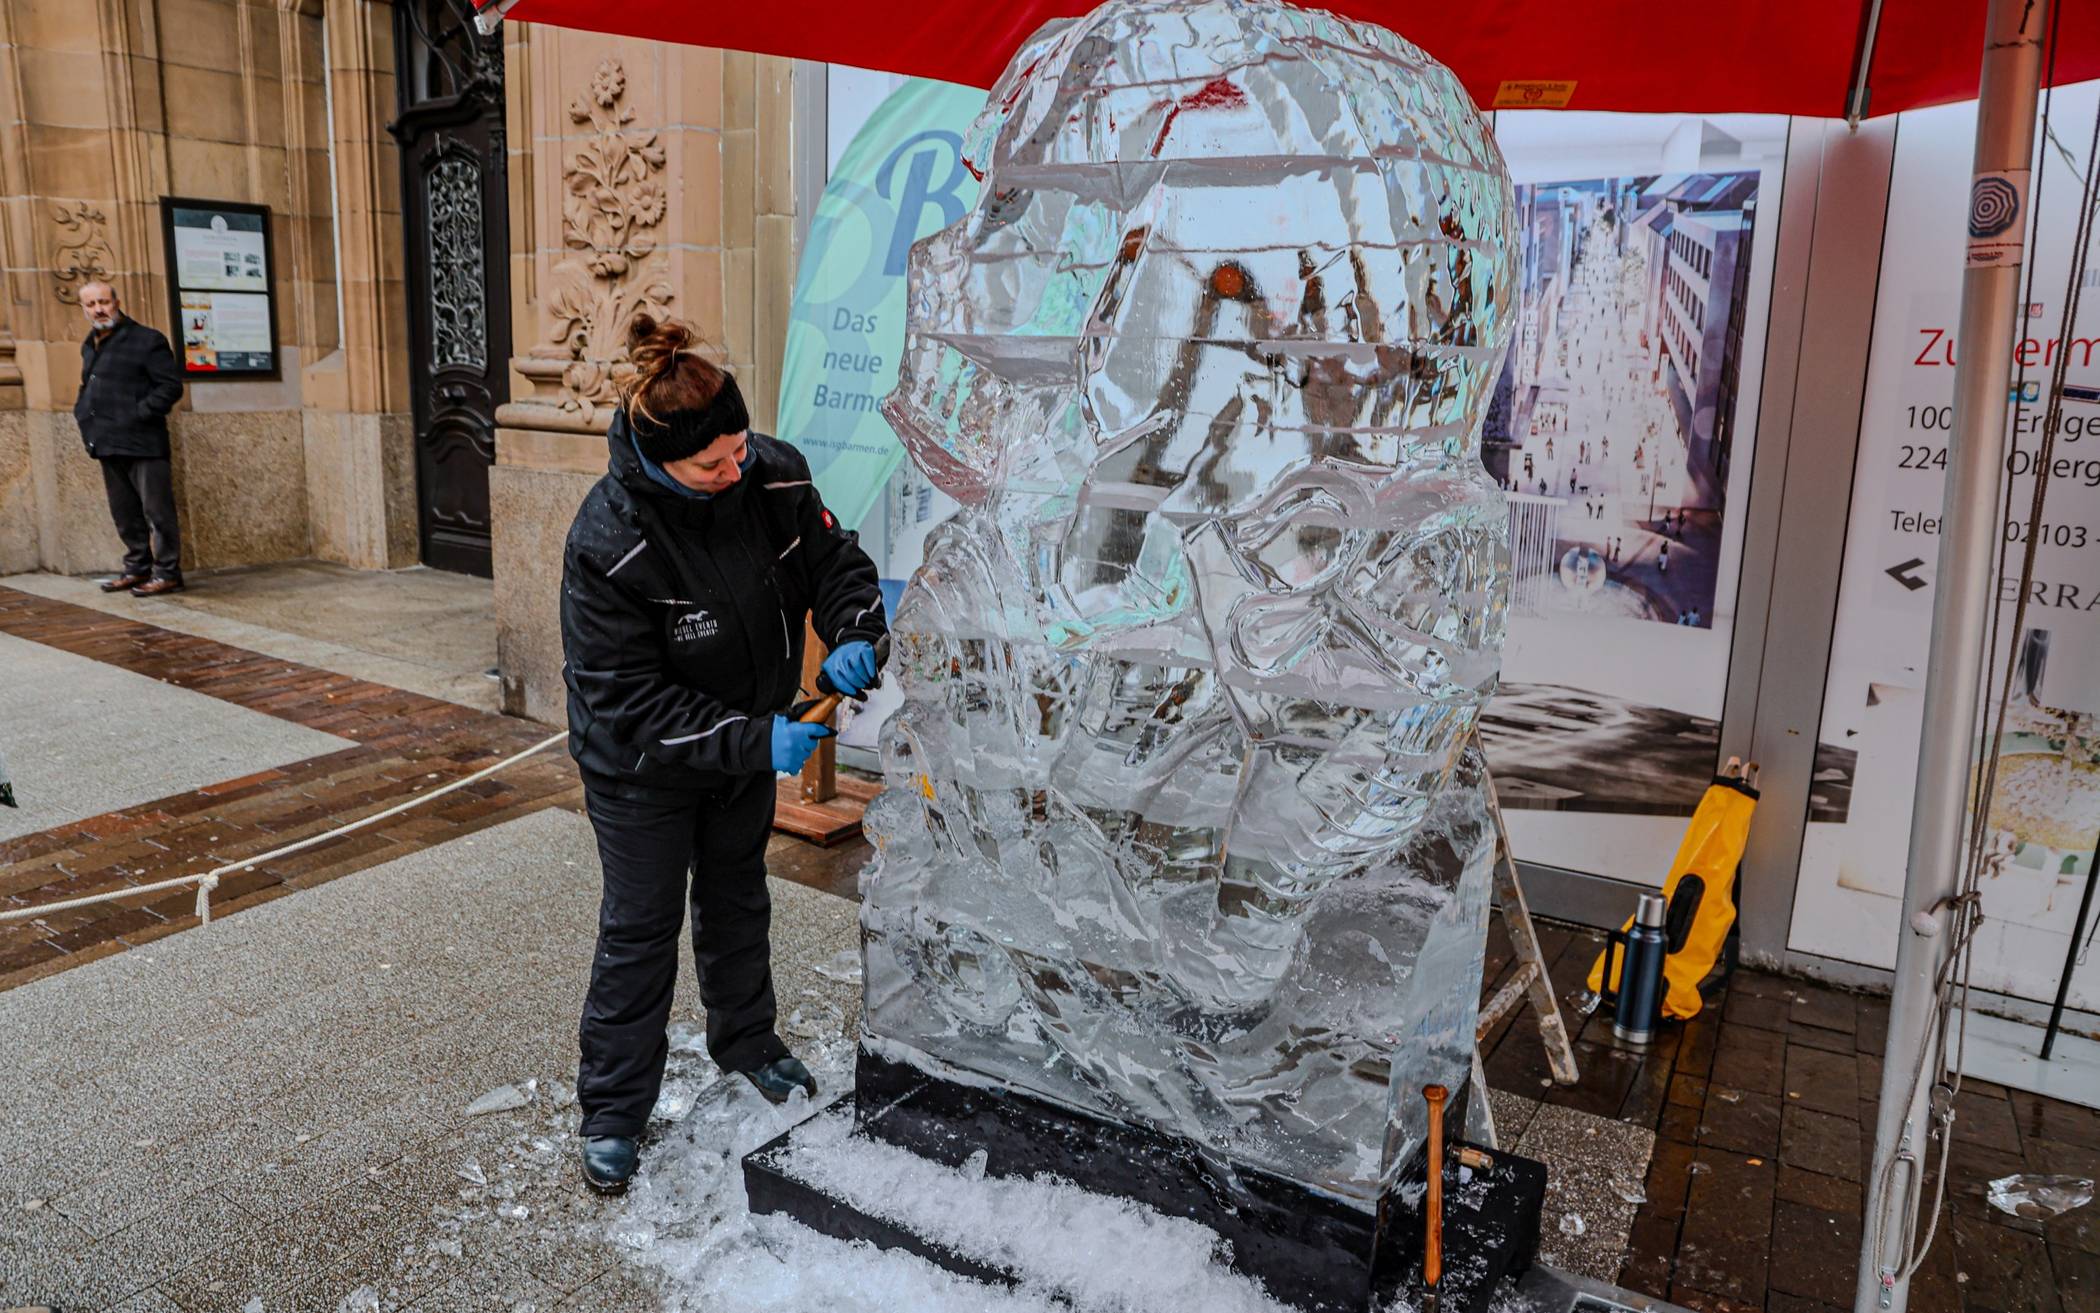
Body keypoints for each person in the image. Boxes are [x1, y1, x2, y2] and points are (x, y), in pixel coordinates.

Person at [557, 314, 887, 1194]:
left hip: (741, 740)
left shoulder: (772, 474)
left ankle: (748, 1043)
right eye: (712, 463)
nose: (733, 468)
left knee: (738, 894)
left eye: (739, 446)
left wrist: (856, 629)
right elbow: (628, 703)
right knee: (641, 926)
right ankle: (615, 1110)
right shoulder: (608, 541)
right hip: (643, 767)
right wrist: (758, 737)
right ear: (662, 460)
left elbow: (838, 563)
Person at [75, 281, 186, 596]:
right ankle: (137, 568)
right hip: (106, 441)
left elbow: (170, 387)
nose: (99, 309)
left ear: (117, 302)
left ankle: (168, 572)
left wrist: (137, 414)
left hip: (143, 442)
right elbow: (89, 386)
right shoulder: (91, 344)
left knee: (157, 511)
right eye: (91, 304)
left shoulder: (146, 340)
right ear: (83, 309)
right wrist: (82, 413)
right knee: (124, 513)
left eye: (104, 302)